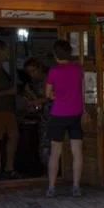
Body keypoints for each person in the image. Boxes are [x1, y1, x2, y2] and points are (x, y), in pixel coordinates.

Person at [45, 39, 85, 198]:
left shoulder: (53, 71)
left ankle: (51, 188)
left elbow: (48, 94)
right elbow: (83, 88)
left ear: (55, 55)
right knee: (77, 152)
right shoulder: (77, 69)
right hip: (75, 113)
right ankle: (76, 186)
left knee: (55, 152)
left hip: (58, 113)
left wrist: (56, 96)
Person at [0, 40, 20, 179]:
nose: (8, 54)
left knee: (13, 136)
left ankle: (9, 167)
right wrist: (9, 92)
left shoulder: (2, 68)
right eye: (6, 51)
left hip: (8, 109)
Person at [22, 58, 52, 169]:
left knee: (47, 142)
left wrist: (32, 102)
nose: (31, 74)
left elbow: (48, 98)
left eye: (33, 71)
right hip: (43, 115)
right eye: (28, 72)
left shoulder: (46, 78)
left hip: (51, 114)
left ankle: (49, 169)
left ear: (40, 69)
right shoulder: (34, 82)